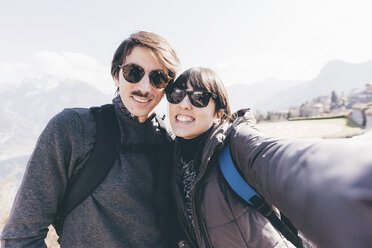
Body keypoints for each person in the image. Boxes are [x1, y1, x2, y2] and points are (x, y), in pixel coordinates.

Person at [1, 31, 180, 247]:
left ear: (167, 87)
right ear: (116, 75)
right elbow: (21, 236)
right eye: (134, 72)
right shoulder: (74, 129)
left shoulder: (169, 142)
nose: (144, 87)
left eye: (158, 78)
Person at [166, 67, 372, 248]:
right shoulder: (172, 157)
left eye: (199, 98)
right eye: (177, 94)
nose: (184, 104)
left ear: (218, 113)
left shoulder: (236, 143)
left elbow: (278, 159)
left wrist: (350, 178)